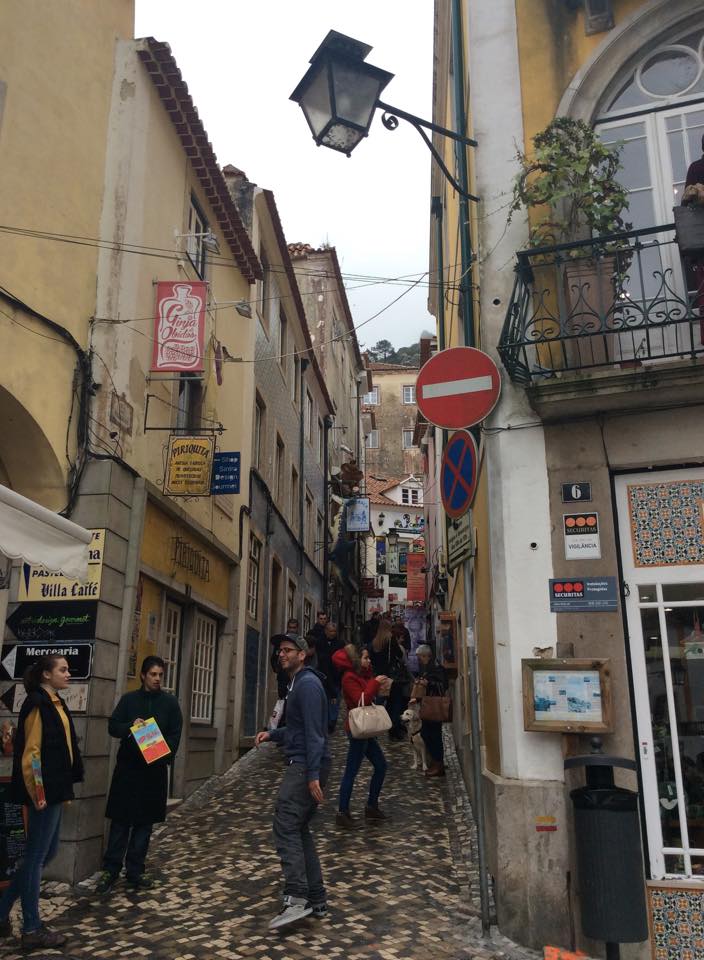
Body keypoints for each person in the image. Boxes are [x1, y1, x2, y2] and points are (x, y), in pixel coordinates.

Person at [0, 655, 83, 950]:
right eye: (63, 669)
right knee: (36, 857)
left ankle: (1, 912)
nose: (68, 674)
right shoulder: (37, 703)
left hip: (56, 789)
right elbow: (31, 754)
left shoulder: (56, 702)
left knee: (46, 854)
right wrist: (38, 793)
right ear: (47, 674)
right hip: (44, 793)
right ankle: (32, 928)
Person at [255, 635, 331, 930]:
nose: (281, 654)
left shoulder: (307, 685)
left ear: (302, 655)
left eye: (287, 650)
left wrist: (312, 775)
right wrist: (272, 734)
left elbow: (315, 734)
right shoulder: (297, 684)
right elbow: (298, 729)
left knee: (285, 823)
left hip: (303, 765)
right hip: (304, 762)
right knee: (298, 827)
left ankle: (297, 897)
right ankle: (316, 897)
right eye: (279, 650)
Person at [95, 656, 182, 895]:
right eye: (153, 674)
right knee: (121, 821)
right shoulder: (128, 700)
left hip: (153, 772)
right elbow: (113, 726)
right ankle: (110, 869)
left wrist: (163, 753)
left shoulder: (170, 703)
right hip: (128, 770)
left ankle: (135, 870)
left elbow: (175, 734)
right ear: (143, 675)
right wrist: (131, 727)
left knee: (144, 824)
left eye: (160, 675)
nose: (157, 679)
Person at [332, 644, 390, 828]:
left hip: (366, 728)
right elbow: (361, 701)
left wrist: (380, 686)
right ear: (357, 660)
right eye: (366, 658)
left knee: (381, 765)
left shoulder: (363, 675)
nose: (369, 660)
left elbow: (370, 697)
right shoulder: (349, 677)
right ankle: (342, 812)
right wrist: (375, 683)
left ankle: (371, 806)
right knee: (351, 770)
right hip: (357, 729)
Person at [370, 618, 410, 740]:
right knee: (395, 703)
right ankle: (394, 730)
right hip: (392, 677)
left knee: (380, 703)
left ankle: (375, 728)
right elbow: (399, 654)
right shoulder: (390, 639)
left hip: (379, 677)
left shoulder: (375, 642)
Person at [413, 644, 448, 778]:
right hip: (427, 705)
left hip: (434, 706)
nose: (419, 660)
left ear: (426, 656)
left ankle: (438, 764)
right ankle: (436, 761)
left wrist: (429, 684)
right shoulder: (427, 668)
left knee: (434, 735)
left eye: (420, 657)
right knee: (427, 733)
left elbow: (442, 685)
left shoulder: (437, 668)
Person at [312, 621, 344, 733]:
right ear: (326, 631)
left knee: (335, 700)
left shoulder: (340, 643)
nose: (332, 633)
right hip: (323, 675)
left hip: (336, 676)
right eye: (330, 631)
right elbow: (320, 659)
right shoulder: (320, 642)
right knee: (324, 699)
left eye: (334, 631)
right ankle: (325, 721)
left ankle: (332, 722)